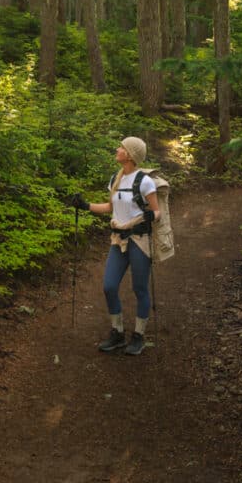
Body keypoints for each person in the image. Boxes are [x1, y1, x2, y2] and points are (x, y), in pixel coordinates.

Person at [69, 137, 160, 356]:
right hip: (118, 240)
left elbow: (157, 212)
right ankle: (117, 333)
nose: (118, 149)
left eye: (122, 147)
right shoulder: (115, 179)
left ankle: (138, 335)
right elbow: (111, 207)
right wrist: (85, 206)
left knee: (139, 288)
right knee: (109, 286)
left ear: (130, 155)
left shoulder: (145, 182)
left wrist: (151, 215)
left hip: (138, 240)